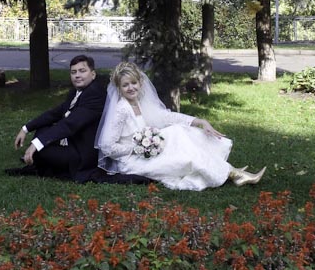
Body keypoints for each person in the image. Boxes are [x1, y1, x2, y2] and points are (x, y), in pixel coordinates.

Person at [96, 62, 266, 190]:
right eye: (125, 85)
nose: (130, 88)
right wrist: (138, 148)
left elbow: (167, 116)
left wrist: (200, 121)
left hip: (149, 150)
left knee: (178, 131)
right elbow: (107, 146)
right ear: (119, 88)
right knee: (184, 156)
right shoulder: (121, 110)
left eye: (133, 83)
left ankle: (229, 170)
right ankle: (233, 173)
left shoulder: (139, 102)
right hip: (133, 161)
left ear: (140, 83)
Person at [11, 55, 108, 181]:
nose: (77, 75)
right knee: (42, 130)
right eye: (73, 72)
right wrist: (26, 128)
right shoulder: (76, 92)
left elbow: (70, 124)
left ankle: (37, 158)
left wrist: (37, 144)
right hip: (72, 141)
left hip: (82, 154)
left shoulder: (95, 93)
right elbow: (55, 113)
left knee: (42, 149)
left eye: (82, 71)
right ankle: (37, 156)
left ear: (93, 74)